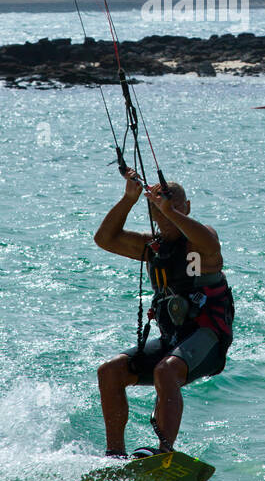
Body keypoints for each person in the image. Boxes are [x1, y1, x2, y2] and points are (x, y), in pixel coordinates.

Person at [94, 170, 233, 457]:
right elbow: (105, 239)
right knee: (110, 371)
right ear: (153, 212)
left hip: (207, 339)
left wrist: (171, 212)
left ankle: (164, 453)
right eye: (160, 208)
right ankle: (115, 456)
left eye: (177, 206)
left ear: (188, 208)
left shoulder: (200, 245)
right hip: (172, 341)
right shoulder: (152, 247)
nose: (168, 212)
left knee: (166, 370)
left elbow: (210, 243)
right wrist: (128, 199)